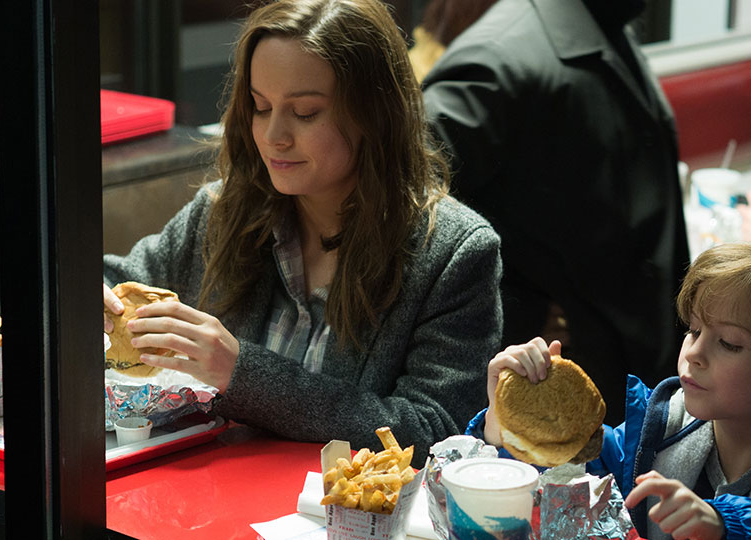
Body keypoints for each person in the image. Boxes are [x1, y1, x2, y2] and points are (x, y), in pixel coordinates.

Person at [102, 0, 503, 462]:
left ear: (374, 114)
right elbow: (118, 280)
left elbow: (437, 430)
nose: (274, 135)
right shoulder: (222, 212)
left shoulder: (453, 251)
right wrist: (89, 300)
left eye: (305, 112)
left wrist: (242, 372)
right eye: (260, 106)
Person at [421, 0, 691, 427]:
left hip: (627, 379)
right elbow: (405, 213)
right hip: (560, 390)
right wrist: (510, 312)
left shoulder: (604, 28)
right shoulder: (495, 62)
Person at [470, 241, 751, 539]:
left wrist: (725, 526)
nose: (693, 353)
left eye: (729, 343)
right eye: (693, 330)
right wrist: (504, 423)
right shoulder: (645, 439)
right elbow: (551, 474)